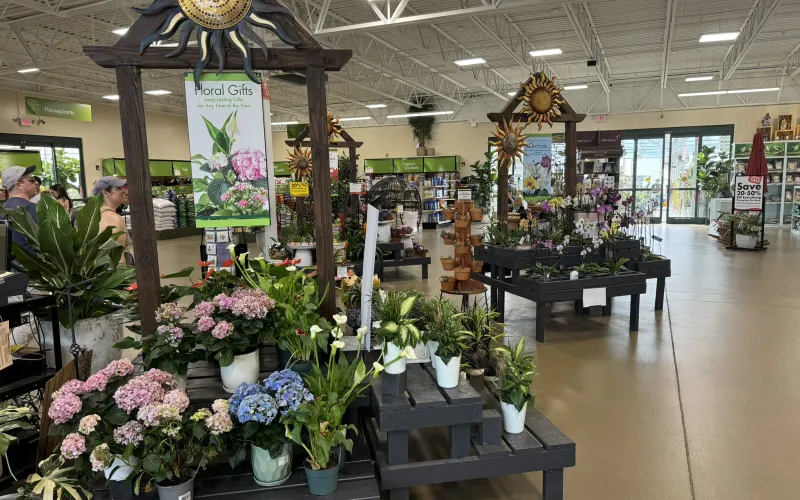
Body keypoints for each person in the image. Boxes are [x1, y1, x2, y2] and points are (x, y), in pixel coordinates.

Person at [93, 176, 132, 264]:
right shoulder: (114, 219)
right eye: (118, 188)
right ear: (106, 193)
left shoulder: (94, 215)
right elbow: (117, 259)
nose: (124, 191)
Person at [1, 166, 39, 254]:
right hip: (34, 265)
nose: (36, 182)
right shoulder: (32, 208)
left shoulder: (3, 209)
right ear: (19, 185)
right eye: (32, 180)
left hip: (10, 265)